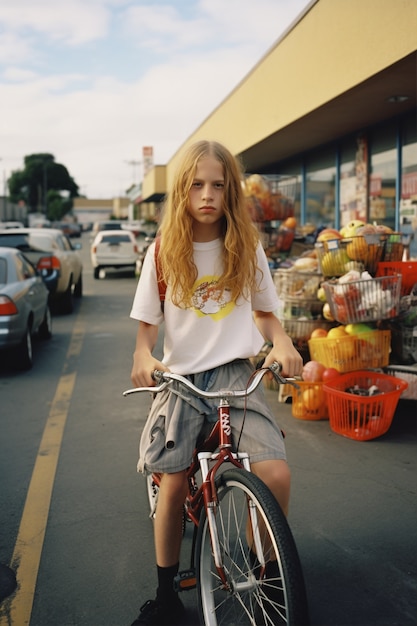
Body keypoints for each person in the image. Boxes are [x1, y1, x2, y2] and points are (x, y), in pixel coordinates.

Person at [129, 140, 303, 626]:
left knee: (276, 472)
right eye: (197, 185)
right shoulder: (163, 251)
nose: (208, 194)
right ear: (182, 190)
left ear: (231, 193)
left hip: (234, 374)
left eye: (219, 185)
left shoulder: (247, 247)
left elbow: (267, 314)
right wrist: (144, 356)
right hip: (182, 378)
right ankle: (166, 593)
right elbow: (146, 330)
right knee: (173, 480)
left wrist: (283, 344)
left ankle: (270, 568)